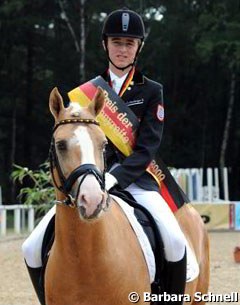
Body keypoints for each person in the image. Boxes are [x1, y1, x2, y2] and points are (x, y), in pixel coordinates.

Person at [22, 8, 187, 305]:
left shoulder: (152, 91)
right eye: (116, 42)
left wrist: (113, 178)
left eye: (129, 43)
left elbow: (147, 148)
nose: (122, 49)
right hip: (87, 181)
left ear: (139, 47)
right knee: (32, 247)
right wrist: (90, 177)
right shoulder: (85, 94)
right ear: (105, 45)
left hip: (136, 182)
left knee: (175, 241)